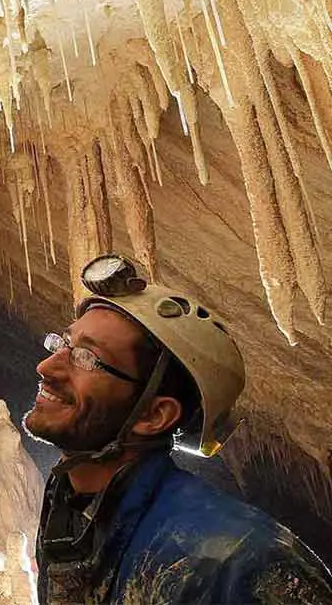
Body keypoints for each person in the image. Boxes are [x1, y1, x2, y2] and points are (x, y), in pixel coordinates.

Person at [24, 254, 332, 604]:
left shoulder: (244, 568)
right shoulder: (69, 512)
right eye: (64, 344)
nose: (46, 366)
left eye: (86, 358)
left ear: (155, 415)